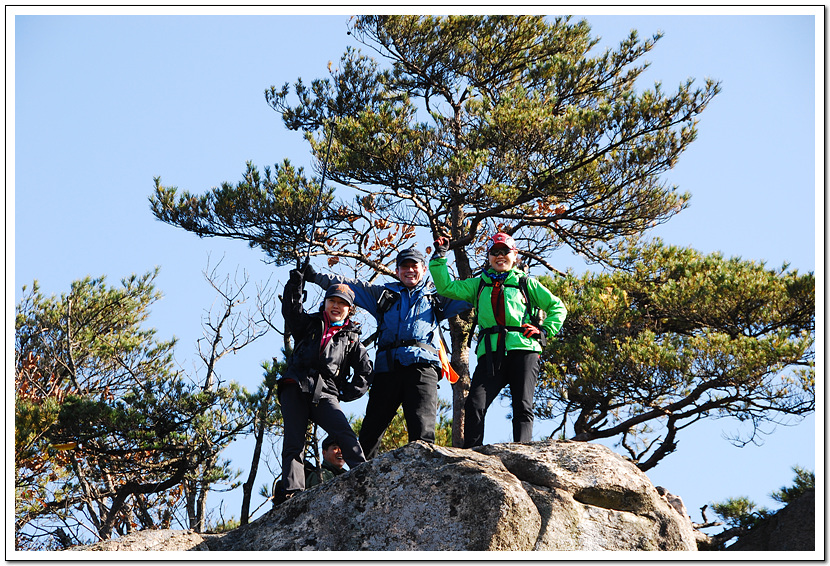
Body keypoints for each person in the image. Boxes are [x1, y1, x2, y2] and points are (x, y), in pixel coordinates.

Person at [302, 247, 471, 459]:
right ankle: (361, 477)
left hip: (423, 368)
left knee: (422, 432)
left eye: (414, 266)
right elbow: (350, 286)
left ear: (424, 269)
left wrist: (505, 277)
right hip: (387, 368)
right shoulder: (384, 295)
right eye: (404, 266)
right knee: (370, 432)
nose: (409, 270)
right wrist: (315, 276)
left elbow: (472, 292)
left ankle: (423, 478)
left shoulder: (438, 297)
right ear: (398, 270)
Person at [429, 233, 567, 448]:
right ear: (489, 256)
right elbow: (446, 288)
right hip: (490, 353)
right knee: (475, 403)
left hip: (523, 348)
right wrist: (440, 257)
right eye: (495, 252)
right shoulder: (478, 284)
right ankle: (472, 453)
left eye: (505, 252)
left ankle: (522, 451)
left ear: (515, 255)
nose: (500, 256)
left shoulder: (525, 282)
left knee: (522, 404)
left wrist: (544, 329)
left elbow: (557, 307)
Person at [275, 267, 372, 504]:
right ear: (325, 302)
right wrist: (295, 286)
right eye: (332, 301)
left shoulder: (351, 338)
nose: (336, 306)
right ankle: (293, 491)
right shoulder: (309, 323)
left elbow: (365, 371)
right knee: (294, 441)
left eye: (342, 303)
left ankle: (366, 475)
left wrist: (347, 393)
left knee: (344, 433)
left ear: (350, 309)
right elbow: (291, 311)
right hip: (296, 384)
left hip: (326, 390)